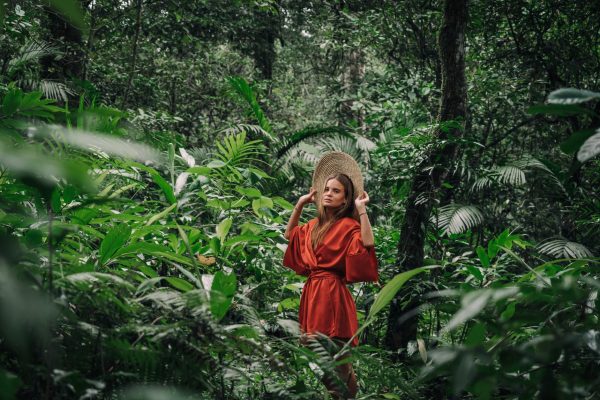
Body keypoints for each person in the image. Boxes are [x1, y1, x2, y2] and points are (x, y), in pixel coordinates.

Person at [283, 152, 378, 399]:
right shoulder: (313, 226)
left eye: (335, 191)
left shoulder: (348, 226)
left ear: (345, 199)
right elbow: (289, 236)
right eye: (326, 189)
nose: (328, 193)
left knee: (336, 357)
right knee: (317, 354)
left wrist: (361, 210)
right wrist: (301, 204)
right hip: (313, 293)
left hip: (332, 295)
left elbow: (367, 242)